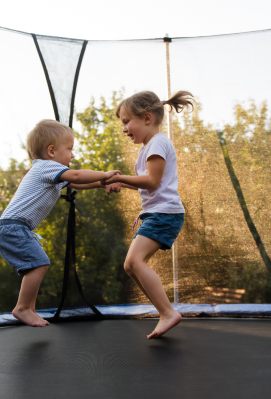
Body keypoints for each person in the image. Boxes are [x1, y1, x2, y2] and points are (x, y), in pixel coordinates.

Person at [0, 119, 121, 327]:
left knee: (36, 265)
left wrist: (102, 183)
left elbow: (79, 182)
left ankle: (28, 308)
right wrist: (106, 174)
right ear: (51, 151)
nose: (73, 154)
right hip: (12, 228)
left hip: (13, 228)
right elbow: (78, 175)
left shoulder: (49, 171)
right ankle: (23, 307)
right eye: (69, 149)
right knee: (40, 264)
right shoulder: (45, 167)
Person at [102, 90, 194, 339]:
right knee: (131, 265)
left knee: (134, 262)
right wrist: (122, 183)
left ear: (146, 117)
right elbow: (149, 183)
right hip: (157, 214)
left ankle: (167, 312)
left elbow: (152, 181)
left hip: (165, 215)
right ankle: (165, 312)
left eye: (125, 121)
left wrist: (120, 178)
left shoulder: (158, 142)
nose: (124, 129)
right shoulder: (148, 147)